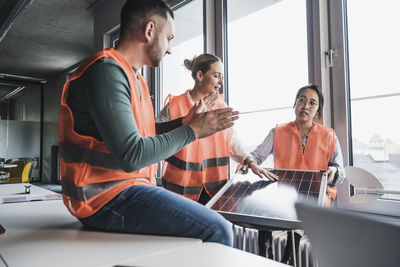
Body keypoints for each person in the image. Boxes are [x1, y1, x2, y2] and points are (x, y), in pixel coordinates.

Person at [58, 0, 239, 247]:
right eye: (169, 38)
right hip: (102, 198)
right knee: (219, 230)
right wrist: (192, 131)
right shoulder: (106, 72)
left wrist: (184, 122)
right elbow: (132, 154)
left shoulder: (134, 78)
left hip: (125, 190)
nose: (170, 49)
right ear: (150, 30)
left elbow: (145, 134)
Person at [237, 84, 344, 261]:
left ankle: (288, 258)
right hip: (284, 195)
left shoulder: (329, 136)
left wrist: (334, 171)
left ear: (317, 110)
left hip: (314, 198)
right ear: (294, 104)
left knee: (296, 225)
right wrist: (248, 164)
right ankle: (265, 257)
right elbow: (257, 155)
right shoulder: (277, 132)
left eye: (312, 103)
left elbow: (340, 171)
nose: (306, 106)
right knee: (264, 213)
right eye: (301, 100)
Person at [156, 54, 266, 205]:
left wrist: (249, 161)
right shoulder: (174, 106)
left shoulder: (221, 106)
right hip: (179, 192)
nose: (221, 81)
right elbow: (153, 139)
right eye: (216, 76)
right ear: (200, 75)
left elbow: (232, 140)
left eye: (222, 76)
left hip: (214, 190)